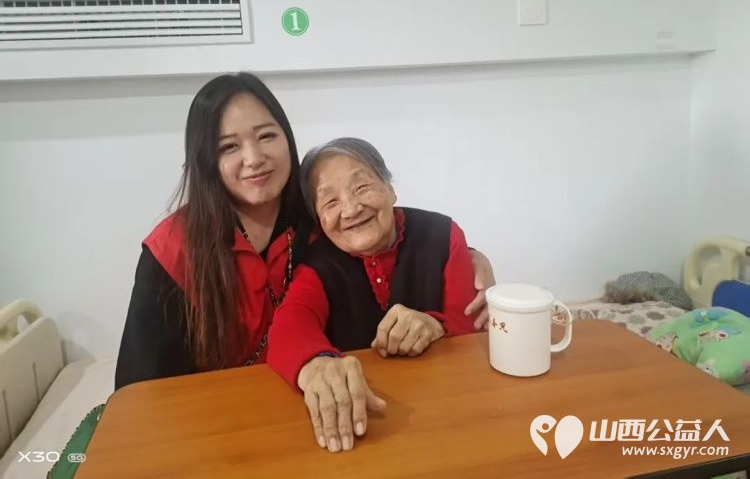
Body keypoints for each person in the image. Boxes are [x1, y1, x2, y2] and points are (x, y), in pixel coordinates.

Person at [115, 72, 494, 390]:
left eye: (267, 136)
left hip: (310, 399)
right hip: (215, 413)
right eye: (229, 147)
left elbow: (391, 236)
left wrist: (467, 255)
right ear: (206, 161)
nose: (254, 158)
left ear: (287, 138)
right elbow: (141, 386)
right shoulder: (174, 248)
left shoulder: (316, 220)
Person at [268, 137, 480, 454]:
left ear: (389, 189)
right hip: (363, 423)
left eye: (362, 187)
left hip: (447, 412)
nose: (351, 209)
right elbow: (290, 325)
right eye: (330, 201)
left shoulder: (443, 234)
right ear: (319, 220)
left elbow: (471, 327)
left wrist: (436, 325)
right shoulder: (316, 264)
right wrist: (317, 365)